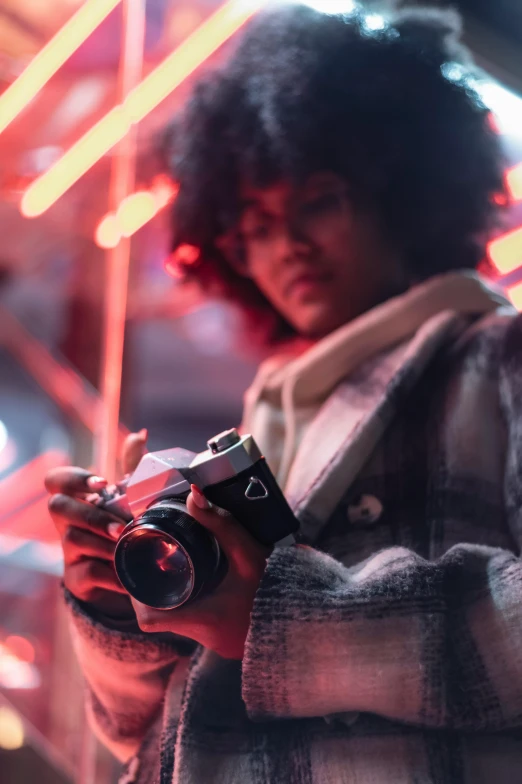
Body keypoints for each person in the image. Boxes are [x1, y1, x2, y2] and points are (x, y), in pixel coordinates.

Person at [45, 5, 522, 783]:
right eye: (254, 228)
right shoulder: (262, 423)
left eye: (320, 199)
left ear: (401, 189)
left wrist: (288, 622)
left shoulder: (497, 355)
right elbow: (144, 727)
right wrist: (115, 594)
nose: (288, 245)